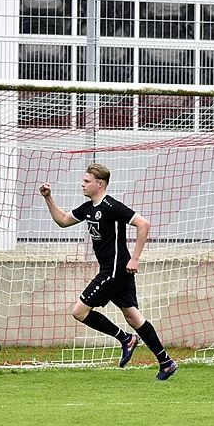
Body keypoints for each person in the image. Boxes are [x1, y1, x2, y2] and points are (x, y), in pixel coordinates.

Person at [39, 163, 178, 380]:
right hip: (114, 270)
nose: (82, 184)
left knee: (79, 311)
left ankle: (125, 339)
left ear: (100, 184)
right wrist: (48, 198)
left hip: (115, 270)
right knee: (133, 316)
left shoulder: (112, 206)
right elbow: (63, 221)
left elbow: (144, 224)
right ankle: (166, 362)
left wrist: (135, 257)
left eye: (87, 181)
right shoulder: (88, 208)